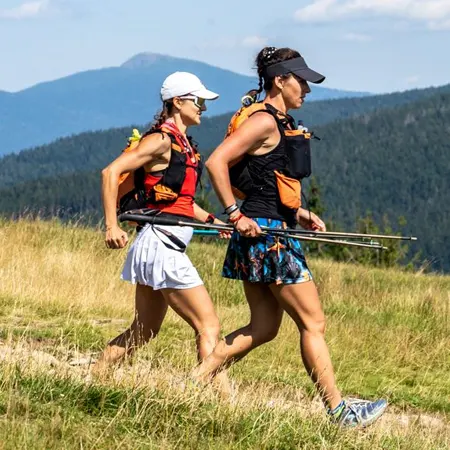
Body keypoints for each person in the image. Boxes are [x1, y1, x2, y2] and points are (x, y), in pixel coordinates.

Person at [192, 47, 387, 427]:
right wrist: (234, 213)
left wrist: (296, 211)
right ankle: (339, 411)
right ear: (280, 80)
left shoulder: (278, 121)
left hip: (266, 230)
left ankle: (192, 383)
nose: (307, 90)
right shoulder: (264, 122)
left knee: (263, 328)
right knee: (313, 323)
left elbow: (261, 178)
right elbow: (216, 162)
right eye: (302, 81)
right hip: (270, 238)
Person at [95, 72, 229, 391]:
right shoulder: (160, 140)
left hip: (157, 244)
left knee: (144, 331)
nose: (203, 108)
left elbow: (184, 202)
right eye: (197, 101)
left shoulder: (184, 145)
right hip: (161, 246)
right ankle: (222, 401)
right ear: (177, 102)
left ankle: (96, 377)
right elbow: (111, 172)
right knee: (208, 325)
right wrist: (111, 225)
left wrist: (217, 223)